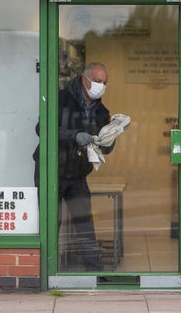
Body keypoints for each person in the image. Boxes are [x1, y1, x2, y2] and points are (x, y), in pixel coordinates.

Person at [32, 62, 115, 271]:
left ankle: (94, 270)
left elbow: (104, 149)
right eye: (97, 81)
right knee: (51, 220)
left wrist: (110, 138)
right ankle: (46, 271)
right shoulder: (61, 99)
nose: (101, 86)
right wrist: (74, 135)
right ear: (85, 80)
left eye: (104, 83)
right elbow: (42, 128)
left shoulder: (101, 111)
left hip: (77, 172)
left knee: (84, 222)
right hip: (51, 170)